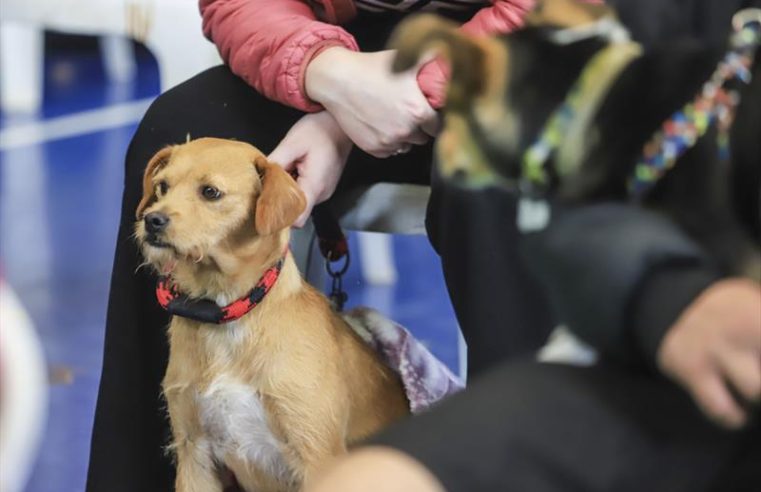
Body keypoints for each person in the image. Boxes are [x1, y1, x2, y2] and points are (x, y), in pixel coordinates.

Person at [86, 2, 557, 490]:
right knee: (173, 123)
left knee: (505, 171)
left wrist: (353, 115)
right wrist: (328, 76)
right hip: (333, 53)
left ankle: (526, 470)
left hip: (509, 53)